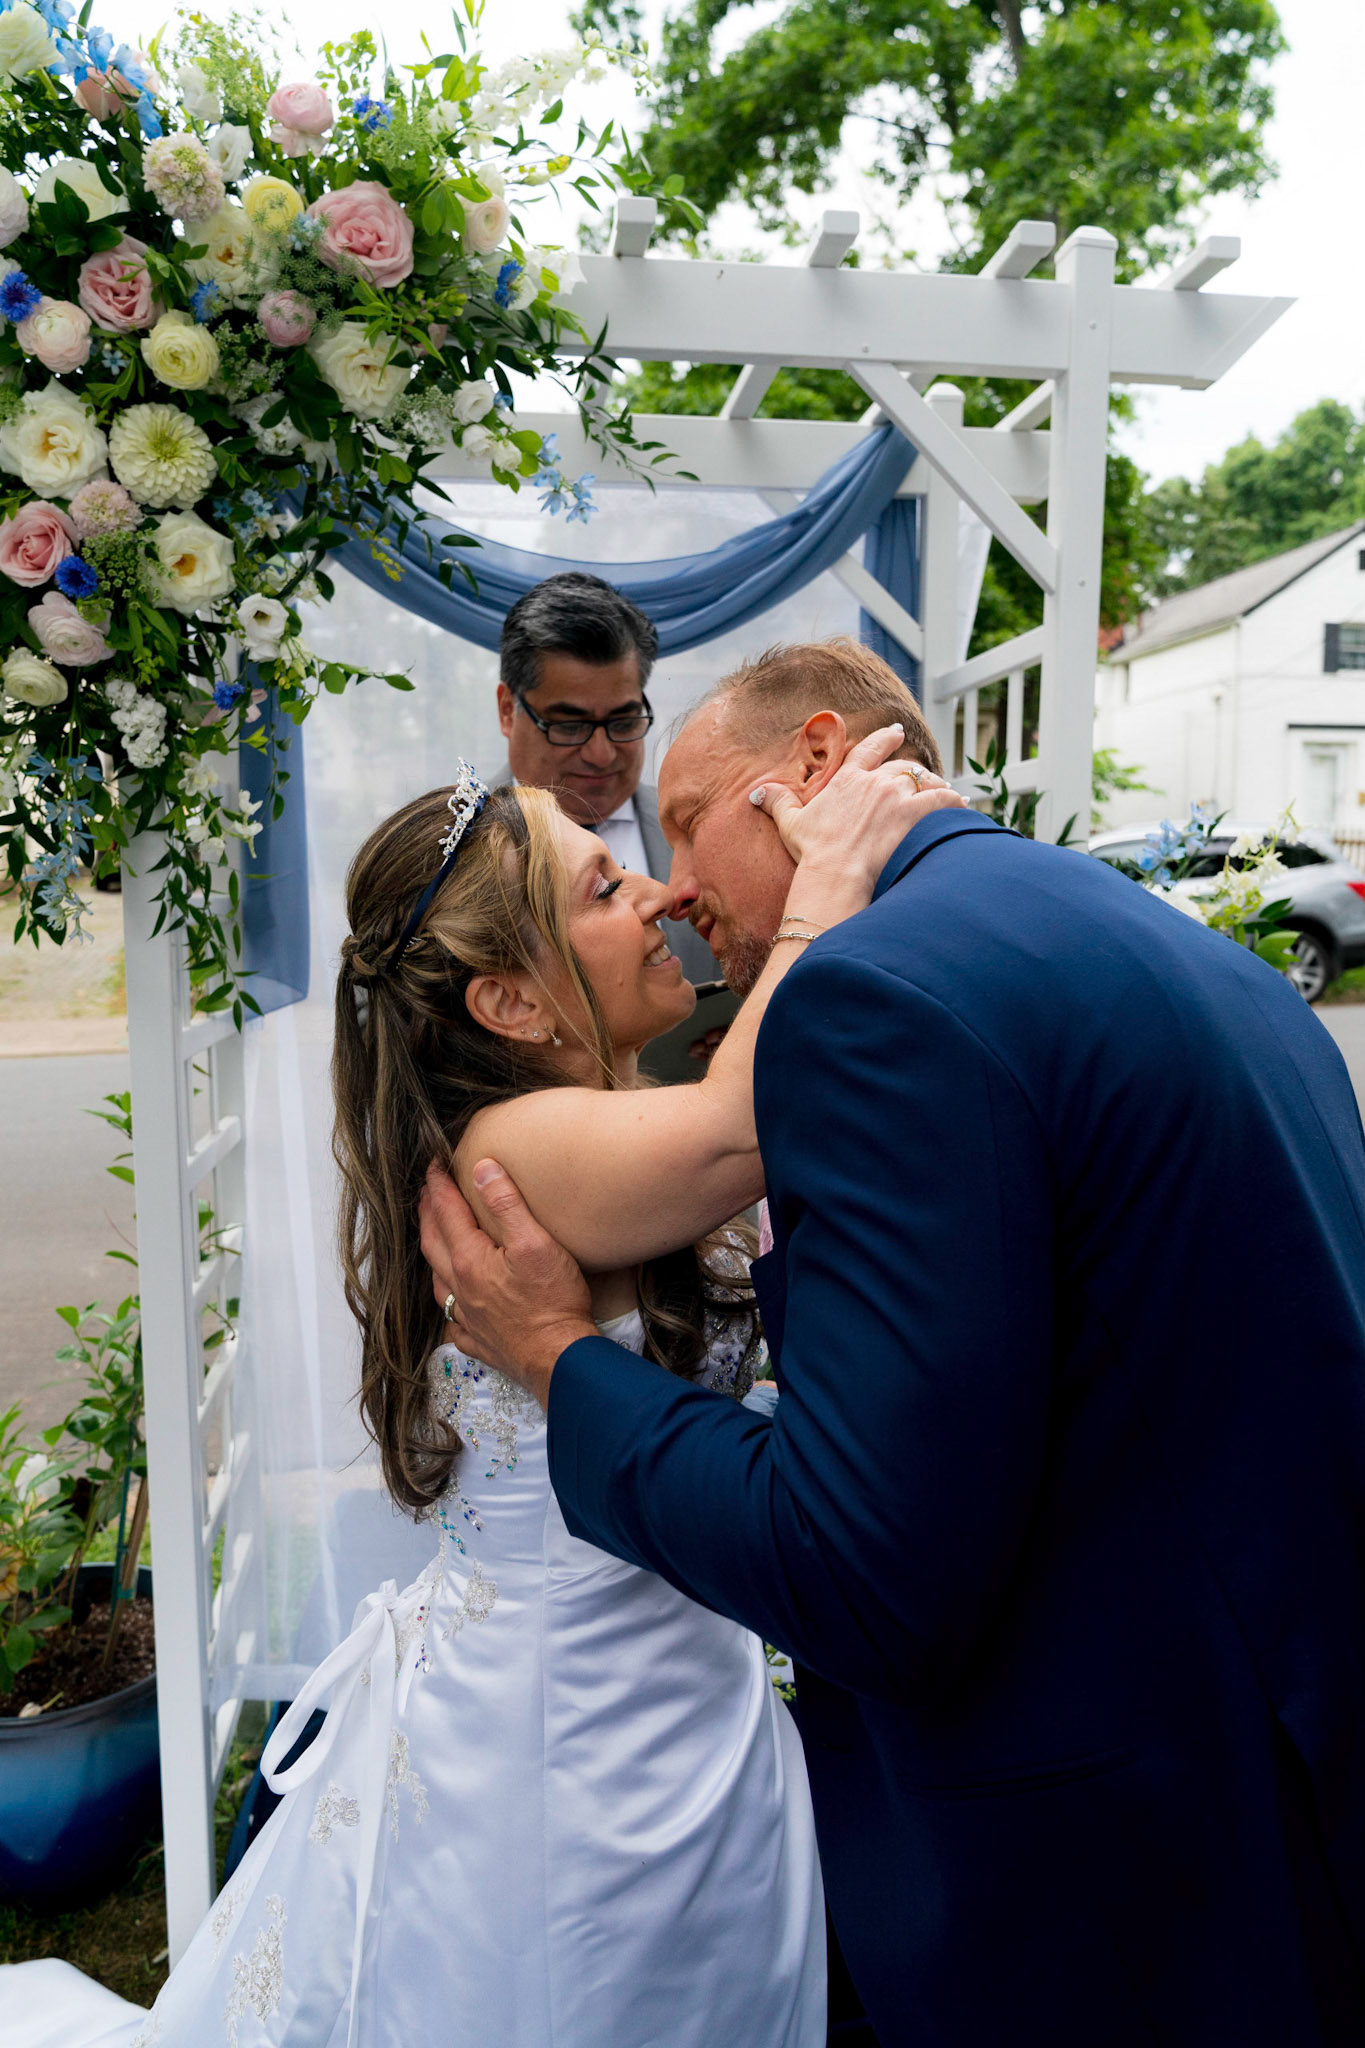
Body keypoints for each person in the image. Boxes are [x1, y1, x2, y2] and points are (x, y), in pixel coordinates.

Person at [421, 639, 1365, 2047]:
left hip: (1116, 1859)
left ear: (812, 768)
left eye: (682, 826)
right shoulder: (1136, 929)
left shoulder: (879, 999)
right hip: (1272, 1752)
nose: (674, 889)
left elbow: (859, 1574)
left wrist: (562, 1360)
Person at [0, 716, 963, 2045]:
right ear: (511, 1001)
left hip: (686, 1703)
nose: (663, 899)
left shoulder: (601, 1109)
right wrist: (825, 886)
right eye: (609, 888)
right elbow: (742, 1125)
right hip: (564, 1747)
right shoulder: (518, 1141)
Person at [495, 569, 713, 988]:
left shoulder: (708, 832)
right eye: (570, 726)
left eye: (623, 720)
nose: (601, 754)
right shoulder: (443, 850)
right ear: (508, 710)